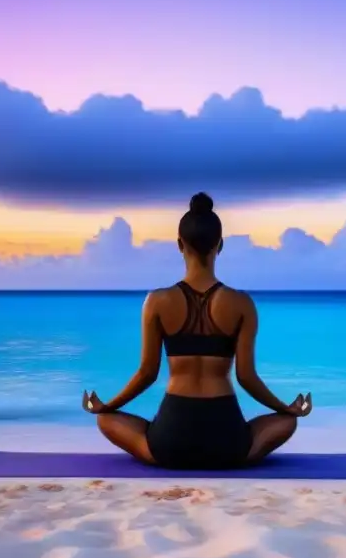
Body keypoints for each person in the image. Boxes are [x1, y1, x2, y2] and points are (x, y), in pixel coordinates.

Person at [82, 192, 312, 469]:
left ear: (180, 245)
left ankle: (153, 445)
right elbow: (247, 377)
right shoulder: (241, 303)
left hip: (171, 440)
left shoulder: (156, 301)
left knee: (106, 420)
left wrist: (108, 405)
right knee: (286, 423)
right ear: (221, 245)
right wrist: (284, 408)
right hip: (227, 442)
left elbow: (147, 374)